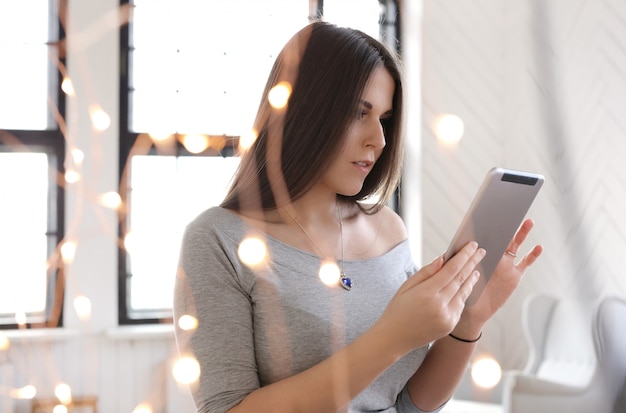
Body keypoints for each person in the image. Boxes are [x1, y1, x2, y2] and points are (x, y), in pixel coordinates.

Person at [173, 21, 543, 413]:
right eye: (357, 113)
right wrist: (390, 338)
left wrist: (469, 321)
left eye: (383, 119)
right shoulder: (219, 240)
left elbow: (408, 404)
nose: (379, 140)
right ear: (302, 110)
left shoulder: (387, 229)